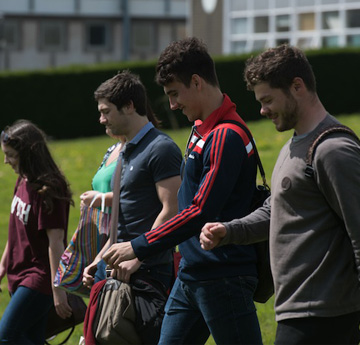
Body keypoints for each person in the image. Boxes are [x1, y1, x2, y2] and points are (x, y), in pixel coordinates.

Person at [102, 37, 263, 344]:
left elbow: (200, 211)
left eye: (175, 94)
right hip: (191, 272)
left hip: (223, 275)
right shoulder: (201, 127)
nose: (173, 104)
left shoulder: (225, 135)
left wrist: (137, 246)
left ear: (197, 81)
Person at [200, 44, 360, 344]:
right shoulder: (294, 146)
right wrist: (230, 230)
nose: (262, 110)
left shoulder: (333, 150)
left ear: (297, 86)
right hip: (297, 311)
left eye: (268, 99)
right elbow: (277, 209)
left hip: (325, 315)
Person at [82, 70, 182, 343]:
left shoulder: (161, 148)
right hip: (114, 270)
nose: (101, 119)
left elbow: (171, 210)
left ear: (129, 106)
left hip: (147, 273)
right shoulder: (125, 151)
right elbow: (123, 217)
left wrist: (139, 257)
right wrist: (98, 260)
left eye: (106, 111)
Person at [0, 120, 74, 345]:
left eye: (11, 155)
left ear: (29, 154)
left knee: (6, 337)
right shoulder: (23, 179)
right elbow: (15, 231)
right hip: (18, 273)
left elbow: (55, 243)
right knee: (30, 338)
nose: (6, 161)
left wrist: (58, 289)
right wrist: (3, 266)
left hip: (39, 278)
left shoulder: (50, 188)